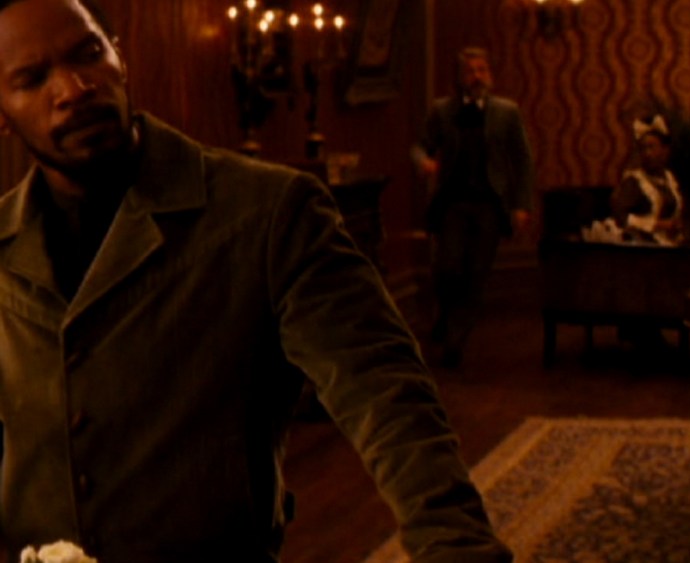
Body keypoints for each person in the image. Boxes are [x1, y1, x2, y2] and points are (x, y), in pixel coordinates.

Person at [0, 1, 512, 561]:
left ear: (118, 56)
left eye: (87, 53)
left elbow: (388, 396)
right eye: (33, 79)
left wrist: (456, 544)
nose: (74, 88)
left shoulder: (266, 212)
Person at [411, 46, 534, 369]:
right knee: (448, 268)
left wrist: (521, 204)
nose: (477, 77)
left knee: (476, 274)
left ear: (489, 74)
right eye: (470, 71)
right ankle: (446, 315)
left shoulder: (507, 112)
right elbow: (420, 146)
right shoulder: (442, 111)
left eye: (482, 70)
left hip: (489, 205)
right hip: (453, 203)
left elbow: (522, 160)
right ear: (459, 77)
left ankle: (455, 342)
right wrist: (423, 161)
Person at [610, 114, 685, 246]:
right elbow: (621, 217)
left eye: (651, 147)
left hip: (671, 245)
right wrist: (658, 224)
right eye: (643, 149)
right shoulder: (634, 181)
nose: (647, 153)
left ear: (665, 150)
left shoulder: (669, 178)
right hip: (645, 246)